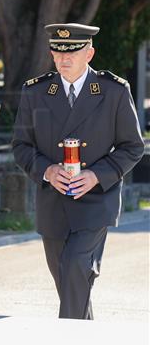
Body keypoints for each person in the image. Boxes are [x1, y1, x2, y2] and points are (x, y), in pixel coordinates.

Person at [12, 23, 143, 320]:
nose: (64, 58)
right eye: (58, 52)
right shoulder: (36, 91)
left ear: (89, 53)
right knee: (70, 280)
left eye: (72, 52)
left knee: (74, 267)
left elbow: (132, 147)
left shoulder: (113, 91)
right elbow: (21, 146)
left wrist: (97, 175)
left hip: (96, 202)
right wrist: (47, 170)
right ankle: (87, 344)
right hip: (53, 203)